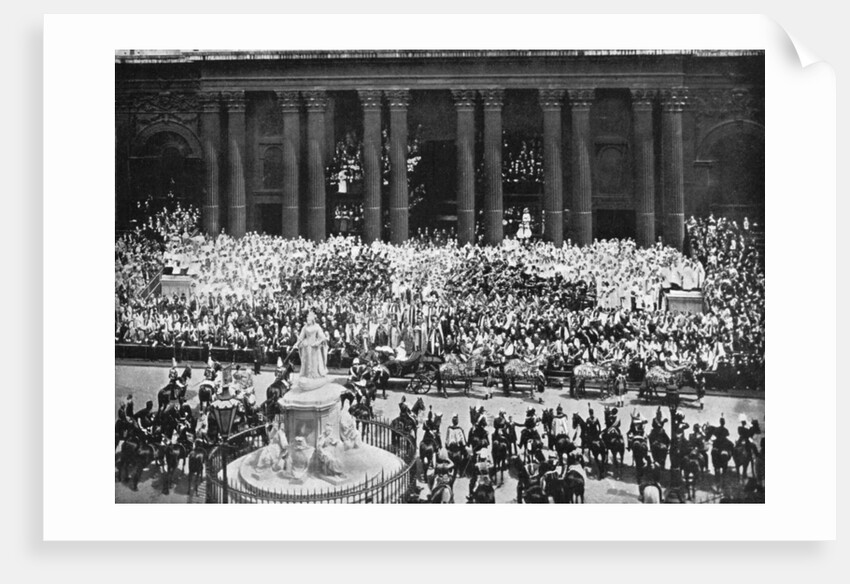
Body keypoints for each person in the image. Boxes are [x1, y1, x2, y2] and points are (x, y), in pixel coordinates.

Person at [296, 310, 328, 380]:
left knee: (314, 361)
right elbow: (301, 337)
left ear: (312, 320)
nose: (308, 321)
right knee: (307, 361)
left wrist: (317, 343)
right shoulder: (305, 327)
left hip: (314, 346)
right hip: (307, 345)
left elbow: (322, 337)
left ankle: (315, 375)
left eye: (309, 320)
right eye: (307, 320)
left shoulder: (317, 327)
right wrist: (296, 344)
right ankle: (307, 375)